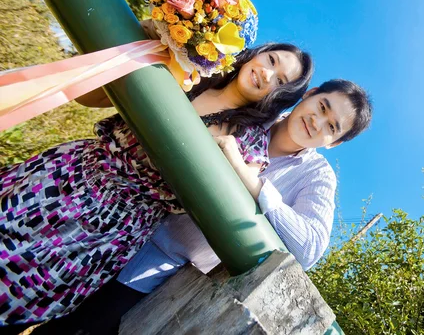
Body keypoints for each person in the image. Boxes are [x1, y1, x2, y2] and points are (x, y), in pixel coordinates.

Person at [0, 43, 313, 329]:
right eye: (271, 60)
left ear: (279, 98)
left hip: (110, 227)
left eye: (281, 82)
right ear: (257, 54)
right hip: (64, 176)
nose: (267, 74)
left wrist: (231, 155)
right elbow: (89, 96)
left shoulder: (249, 142)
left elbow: (241, 184)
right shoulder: (191, 70)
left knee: (20, 292)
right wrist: (151, 45)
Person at [30, 79, 373, 335]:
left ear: (335, 143)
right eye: (323, 107)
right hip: (112, 219)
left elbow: (309, 248)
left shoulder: (316, 175)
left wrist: (249, 179)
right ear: (309, 95)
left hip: (157, 264)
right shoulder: (257, 109)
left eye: (331, 127)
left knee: (75, 328)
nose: (317, 122)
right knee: (30, 292)